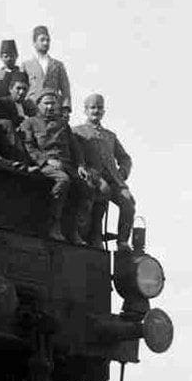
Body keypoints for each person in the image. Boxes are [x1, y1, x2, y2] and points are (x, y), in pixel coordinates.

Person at [20, 88, 91, 244]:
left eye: (53, 104)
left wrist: (80, 166)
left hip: (66, 164)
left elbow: (75, 148)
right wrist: (46, 161)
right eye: (46, 103)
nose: (50, 107)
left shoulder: (63, 125)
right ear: (38, 105)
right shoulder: (29, 123)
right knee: (63, 180)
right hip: (46, 165)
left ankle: (73, 230)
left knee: (83, 185)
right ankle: (54, 225)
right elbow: (29, 146)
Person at [73, 93, 137, 249]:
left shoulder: (110, 136)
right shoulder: (77, 132)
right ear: (85, 111)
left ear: (104, 111)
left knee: (128, 202)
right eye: (92, 107)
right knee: (101, 193)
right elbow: (76, 156)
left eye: (99, 108)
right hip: (92, 178)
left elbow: (125, 158)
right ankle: (95, 236)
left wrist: (122, 173)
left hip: (114, 180)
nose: (96, 111)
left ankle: (122, 241)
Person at [21, 25, 71, 108]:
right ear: (34, 42)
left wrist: (66, 107)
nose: (46, 43)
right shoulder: (26, 65)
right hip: (32, 108)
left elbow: (65, 89)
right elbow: (22, 89)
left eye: (48, 40)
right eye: (42, 40)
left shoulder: (58, 65)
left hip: (53, 107)